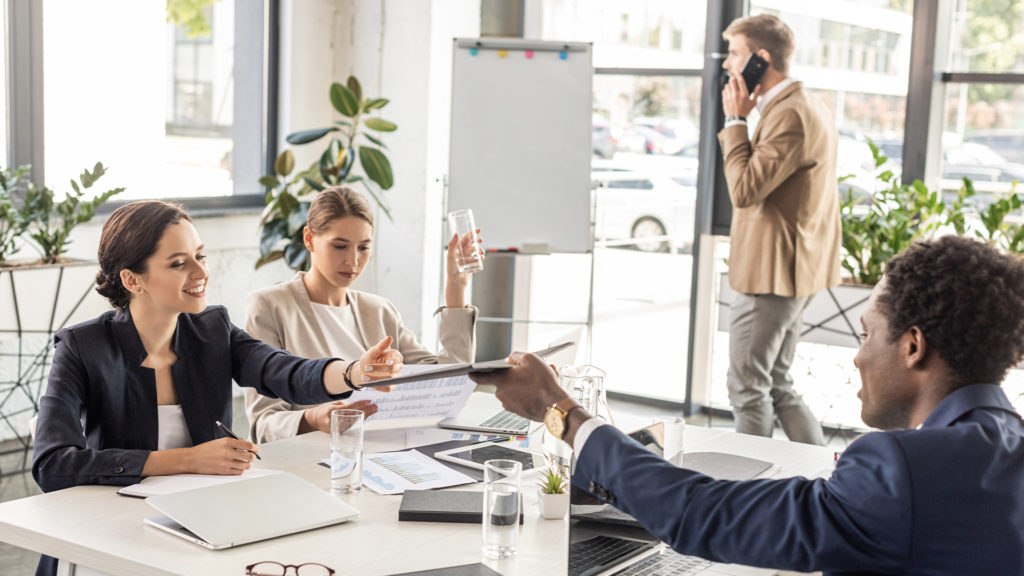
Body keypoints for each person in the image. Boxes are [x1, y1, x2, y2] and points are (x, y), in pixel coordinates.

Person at [473, 236, 1024, 575]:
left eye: (867, 335)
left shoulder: (899, 471)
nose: (857, 358)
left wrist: (559, 409)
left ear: (912, 346)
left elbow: (699, 515)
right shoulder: (1007, 447)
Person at [31, 200, 401, 575]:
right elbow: (53, 464)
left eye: (200, 255)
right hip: (109, 532)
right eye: (178, 263)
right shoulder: (83, 346)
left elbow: (282, 371)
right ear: (132, 280)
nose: (200, 271)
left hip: (199, 522)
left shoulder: (212, 329)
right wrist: (188, 460)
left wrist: (354, 372)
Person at [244, 186, 481, 443]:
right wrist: (312, 419)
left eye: (363, 248)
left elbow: (448, 385)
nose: (353, 261)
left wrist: (455, 292)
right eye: (340, 246)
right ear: (309, 239)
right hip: (315, 461)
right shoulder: (270, 306)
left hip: (386, 455)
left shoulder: (379, 310)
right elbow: (264, 423)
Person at [718, 14, 841, 444]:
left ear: (760, 58)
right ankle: (820, 476)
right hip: (793, 270)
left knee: (748, 388)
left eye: (735, 53)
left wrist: (735, 122)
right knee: (778, 383)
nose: (728, 65)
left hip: (772, 275)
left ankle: (751, 497)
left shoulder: (790, 114)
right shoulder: (810, 105)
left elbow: (746, 189)